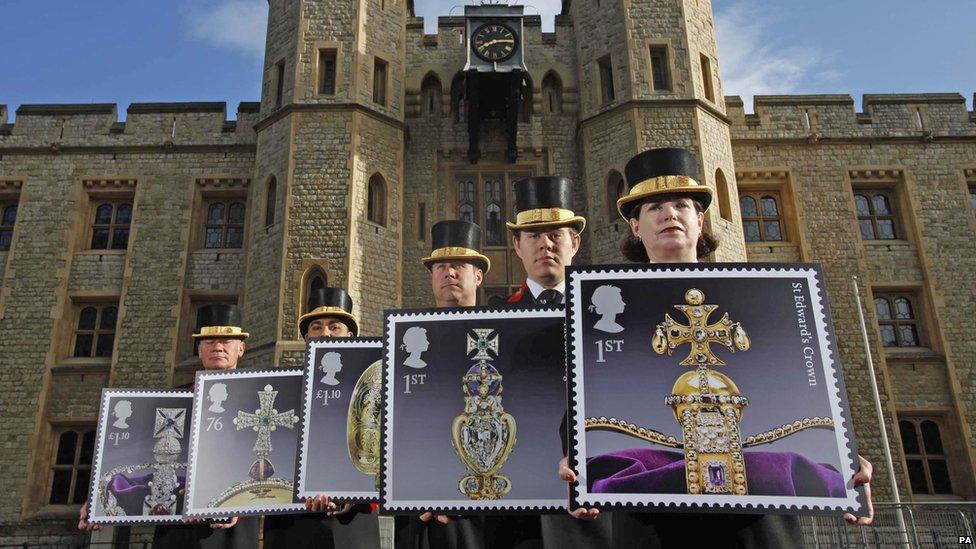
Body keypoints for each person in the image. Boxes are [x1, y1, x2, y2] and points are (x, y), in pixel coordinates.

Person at [558, 147, 875, 547]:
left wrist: (847, 459)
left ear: (700, 219)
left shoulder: (763, 296)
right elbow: (583, 403)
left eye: (681, 204)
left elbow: (803, 387)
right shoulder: (603, 307)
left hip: (755, 523)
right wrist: (575, 464)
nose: (670, 214)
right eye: (655, 207)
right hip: (651, 523)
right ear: (635, 226)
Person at [489, 176, 610, 549]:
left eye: (555, 234)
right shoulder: (493, 321)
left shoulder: (606, 314)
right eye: (533, 234)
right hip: (519, 509)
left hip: (596, 505)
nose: (545, 244)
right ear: (517, 245)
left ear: (574, 242)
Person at [395, 219, 490, 549]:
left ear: (478, 275)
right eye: (441, 266)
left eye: (459, 265)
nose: (449, 273)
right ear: (432, 276)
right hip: (422, 502)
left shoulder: (502, 334)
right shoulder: (406, 341)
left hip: (488, 505)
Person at [263, 287, 381, 549]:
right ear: (306, 337)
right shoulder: (281, 389)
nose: (325, 333)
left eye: (334, 327)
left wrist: (359, 495)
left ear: (350, 335)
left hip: (352, 520)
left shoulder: (373, 387)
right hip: (291, 522)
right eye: (316, 327)